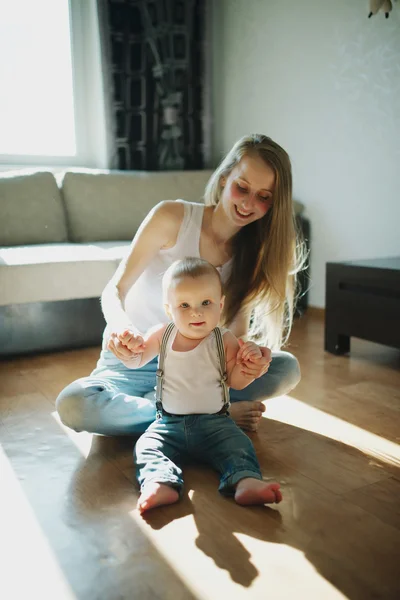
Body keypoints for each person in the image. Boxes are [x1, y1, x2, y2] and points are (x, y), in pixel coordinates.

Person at [56, 133, 304, 435]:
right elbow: (115, 289)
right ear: (225, 178)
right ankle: (209, 416)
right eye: (243, 187)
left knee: (285, 369)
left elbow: (234, 338)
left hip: (199, 370)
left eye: (264, 197)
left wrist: (248, 359)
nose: (249, 203)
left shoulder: (253, 253)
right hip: (134, 363)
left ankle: (165, 414)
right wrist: (122, 328)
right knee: (73, 404)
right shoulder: (172, 217)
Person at [123, 257, 282, 513]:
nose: (195, 312)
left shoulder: (225, 340)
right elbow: (137, 358)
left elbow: (237, 381)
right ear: (168, 309)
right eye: (184, 305)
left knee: (238, 445)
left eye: (205, 303)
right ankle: (159, 482)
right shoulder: (162, 334)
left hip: (216, 423)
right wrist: (129, 347)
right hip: (168, 424)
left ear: (220, 305)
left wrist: (248, 366)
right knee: (146, 447)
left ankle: (246, 481)